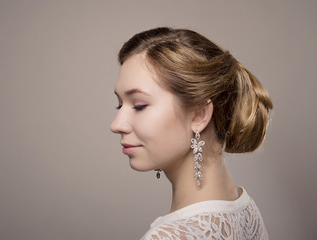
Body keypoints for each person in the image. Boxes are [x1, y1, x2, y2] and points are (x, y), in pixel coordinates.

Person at [110, 27, 272, 240]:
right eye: (119, 105)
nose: (116, 125)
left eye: (139, 105)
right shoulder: (245, 208)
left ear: (199, 115)